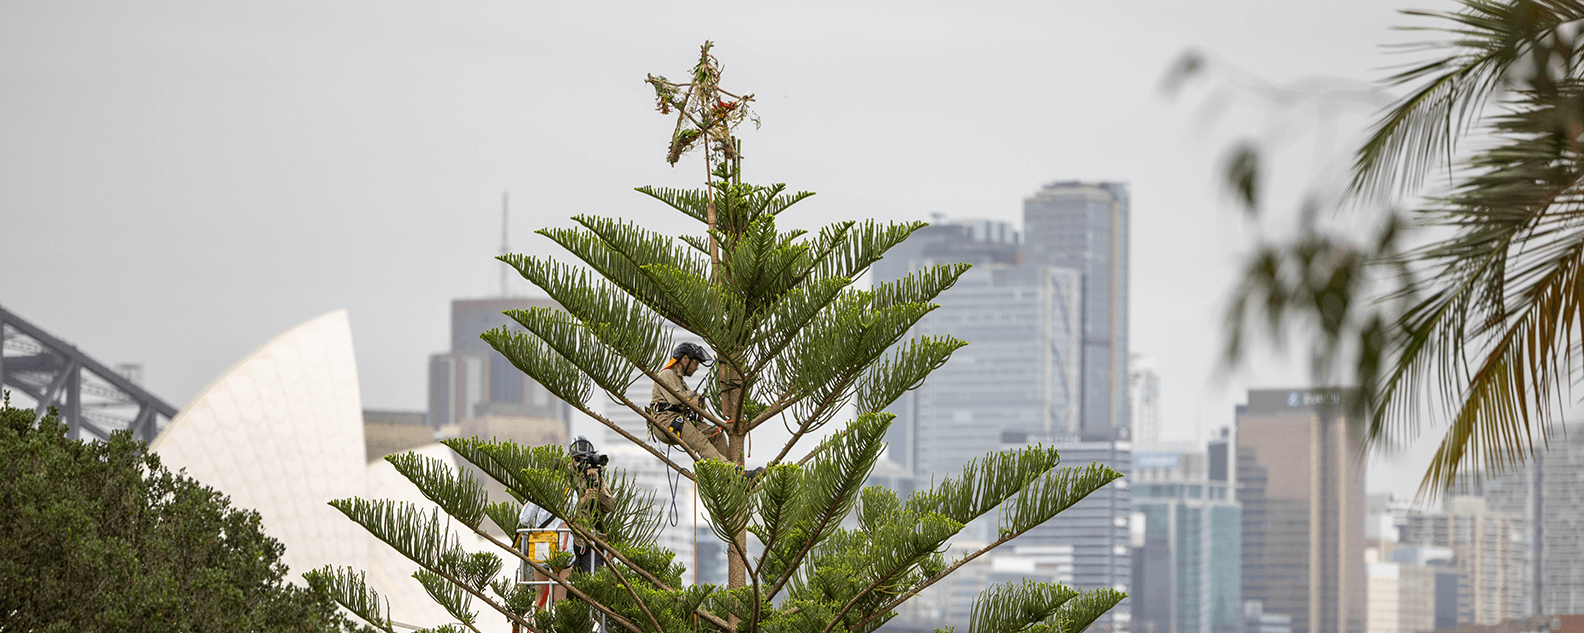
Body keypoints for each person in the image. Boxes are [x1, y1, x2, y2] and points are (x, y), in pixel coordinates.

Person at [649, 342, 729, 462]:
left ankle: (728, 475)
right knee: (700, 441)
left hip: (679, 419)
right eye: (695, 363)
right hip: (666, 421)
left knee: (717, 434)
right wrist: (692, 397)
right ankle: (730, 470)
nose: (696, 368)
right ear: (685, 359)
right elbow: (674, 398)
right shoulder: (667, 374)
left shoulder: (681, 381)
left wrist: (697, 399)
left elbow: (694, 402)